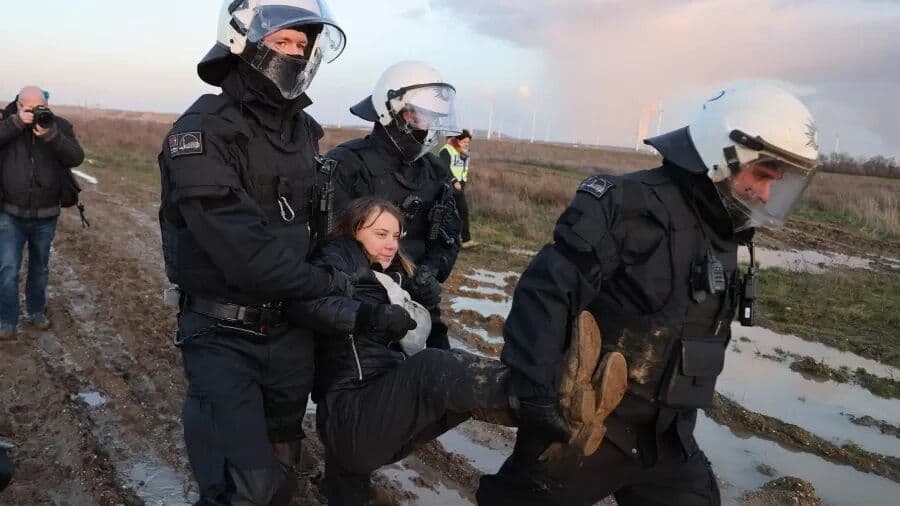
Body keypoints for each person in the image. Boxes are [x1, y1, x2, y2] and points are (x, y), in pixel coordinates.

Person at [476, 83, 821, 505]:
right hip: (588, 429)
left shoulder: (724, 231)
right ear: (724, 155)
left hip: (668, 441)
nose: (765, 195)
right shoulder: (627, 204)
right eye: (761, 177)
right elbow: (545, 293)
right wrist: (536, 393)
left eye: (774, 183)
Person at [290, 197, 618, 505]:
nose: (391, 244)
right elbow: (308, 303)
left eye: (396, 236)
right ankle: (557, 392)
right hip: (351, 417)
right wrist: (370, 315)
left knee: (457, 390)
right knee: (434, 368)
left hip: (368, 427)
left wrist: (427, 308)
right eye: (380, 234)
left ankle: (561, 420)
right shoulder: (339, 254)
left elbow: (428, 342)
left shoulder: (390, 279)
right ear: (352, 230)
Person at [156, 1, 353, 503]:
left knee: (284, 470)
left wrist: (339, 260)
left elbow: (320, 226)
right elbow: (243, 249)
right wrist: (327, 283)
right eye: (281, 41)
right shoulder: (202, 130)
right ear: (241, 41)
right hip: (223, 335)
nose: (295, 54)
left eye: (302, 45)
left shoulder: (303, 132)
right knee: (243, 487)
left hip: (291, 336)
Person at [326, 61, 463, 351]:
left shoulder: (436, 171)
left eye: (435, 118)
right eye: (421, 116)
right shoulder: (347, 164)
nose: (428, 128)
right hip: (361, 309)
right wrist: (388, 282)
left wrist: (430, 274)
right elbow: (329, 245)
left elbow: (449, 237)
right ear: (392, 112)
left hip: (419, 307)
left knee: (441, 371)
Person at [0, 86, 84, 340]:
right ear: (19, 105)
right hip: (10, 212)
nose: (37, 112)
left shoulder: (59, 125)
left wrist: (51, 135)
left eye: (42, 107)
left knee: (40, 268)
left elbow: (76, 157)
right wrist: (16, 124)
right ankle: (7, 321)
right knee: (7, 268)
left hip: (46, 214)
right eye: (30, 108)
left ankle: (35, 311)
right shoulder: (7, 123)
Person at [439, 130, 476, 247]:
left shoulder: (465, 152)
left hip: (460, 186)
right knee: (447, 213)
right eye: (464, 142)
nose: (466, 144)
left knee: (463, 212)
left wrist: (462, 181)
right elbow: (444, 168)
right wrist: (454, 180)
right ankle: (444, 239)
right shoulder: (446, 150)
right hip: (449, 185)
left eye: (468, 142)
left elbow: (463, 167)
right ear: (457, 140)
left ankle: (466, 240)